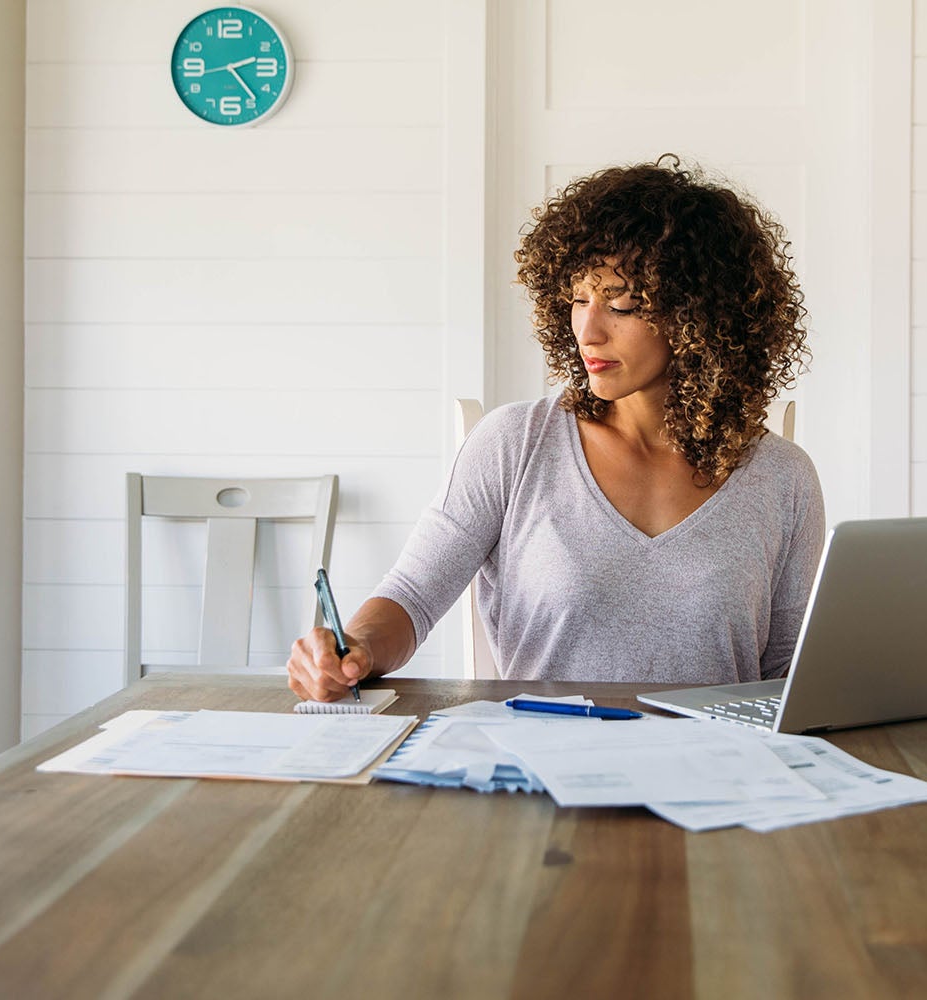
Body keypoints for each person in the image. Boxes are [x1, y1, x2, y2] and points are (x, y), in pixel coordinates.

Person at [287, 155, 824, 702]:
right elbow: (411, 596)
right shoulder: (515, 444)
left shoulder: (782, 477)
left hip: (718, 774)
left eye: (623, 304)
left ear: (701, 316)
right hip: (543, 767)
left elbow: (790, 675)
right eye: (577, 299)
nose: (588, 331)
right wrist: (355, 649)